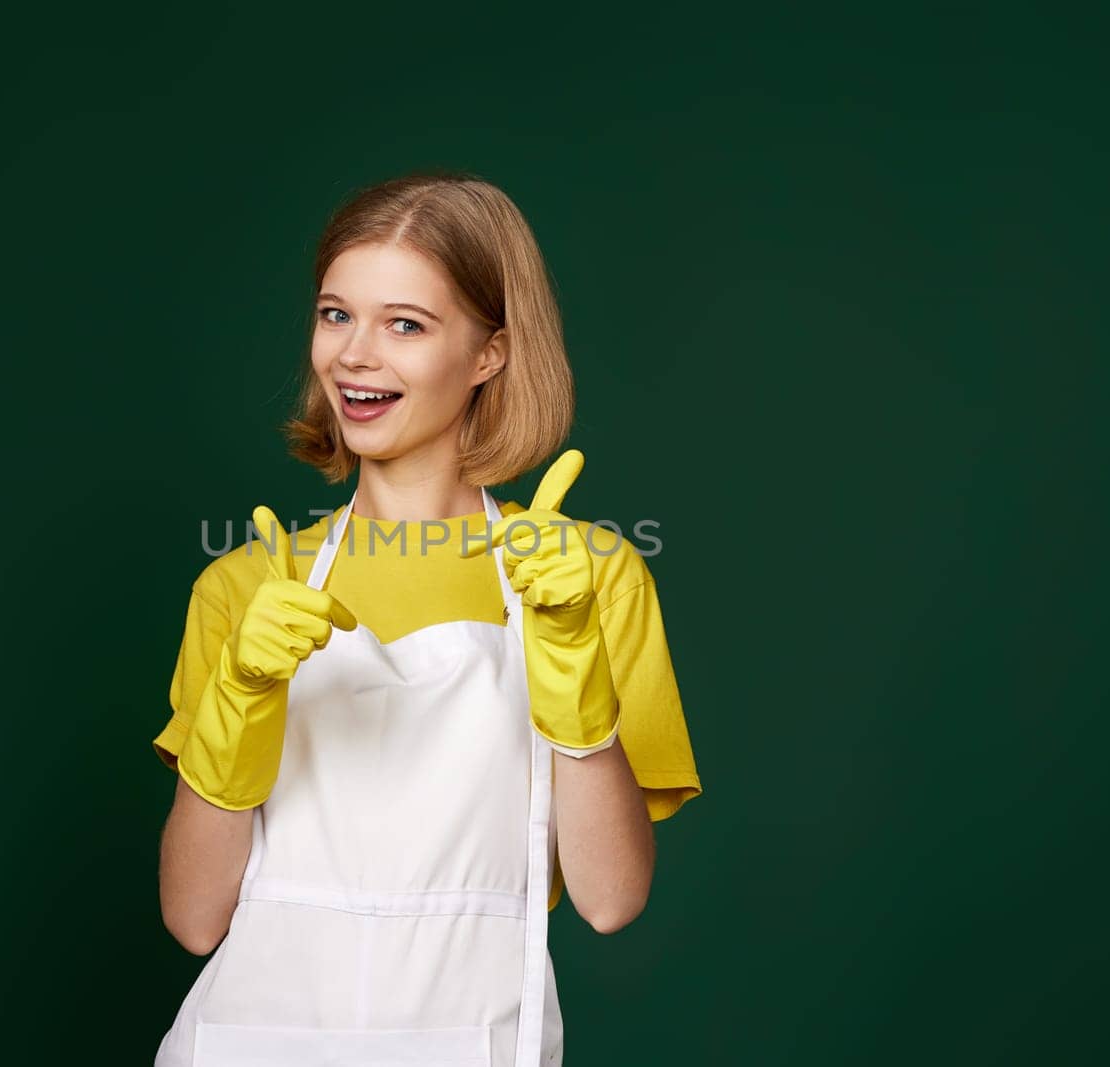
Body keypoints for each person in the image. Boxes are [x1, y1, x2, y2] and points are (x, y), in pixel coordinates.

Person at [150, 172, 702, 1067]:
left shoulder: (584, 576)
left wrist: (574, 686)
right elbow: (192, 918)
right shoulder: (250, 583)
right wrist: (241, 698)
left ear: (491, 352)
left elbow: (610, 898)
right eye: (337, 314)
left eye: (405, 323)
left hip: (469, 1040)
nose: (355, 356)